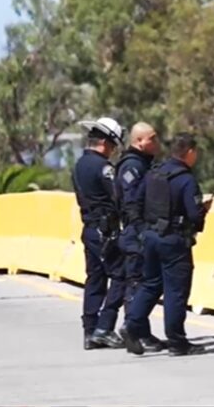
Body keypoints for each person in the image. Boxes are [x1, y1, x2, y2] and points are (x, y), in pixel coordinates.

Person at [120, 133, 211, 356]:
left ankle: (132, 326)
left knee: (150, 284)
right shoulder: (186, 179)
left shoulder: (153, 173)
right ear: (189, 152)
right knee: (176, 291)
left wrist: (143, 230)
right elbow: (194, 214)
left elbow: (136, 204)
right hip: (174, 240)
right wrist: (203, 211)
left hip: (150, 237)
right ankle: (177, 341)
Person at [73, 117, 127, 350]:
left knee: (95, 278)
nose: (114, 151)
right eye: (113, 146)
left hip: (89, 227)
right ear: (104, 143)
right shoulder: (103, 168)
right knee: (121, 275)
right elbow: (118, 197)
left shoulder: (79, 165)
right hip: (105, 231)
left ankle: (90, 330)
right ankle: (104, 328)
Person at [114, 122, 163, 351]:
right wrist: (142, 229)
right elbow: (131, 202)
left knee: (145, 283)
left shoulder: (144, 164)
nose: (157, 142)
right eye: (152, 138)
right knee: (137, 283)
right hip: (136, 233)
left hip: (143, 231)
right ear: (138, 141)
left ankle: (140, 330)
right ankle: (133, 329)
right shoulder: (132, 166)